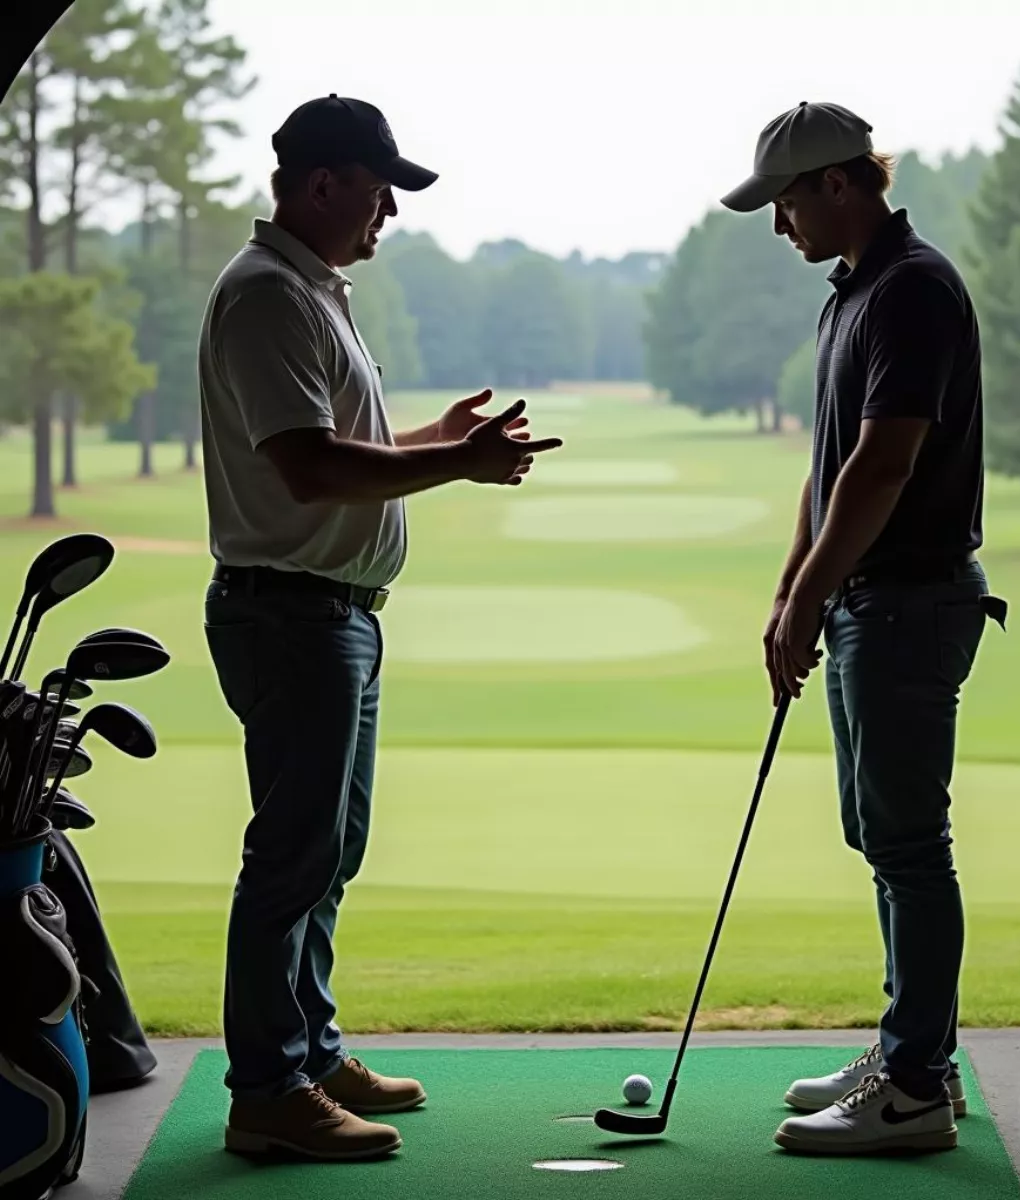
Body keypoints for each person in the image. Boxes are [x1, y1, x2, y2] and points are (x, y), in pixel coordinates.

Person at [197, 94, 563, 1162]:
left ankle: (307, 1052)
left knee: (329, 851)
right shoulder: (267, 296)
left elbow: (333, 439)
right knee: (292, 855)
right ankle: (267, 1090)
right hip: (293, 614)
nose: (390, 213)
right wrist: (459, 462)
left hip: (334, 616)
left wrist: (427, 436)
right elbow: (307, 467)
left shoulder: (310, 290)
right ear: (323, 184)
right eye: (379, 190)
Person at [720, 101, 1006, 1156]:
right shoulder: (855, 294)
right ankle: (906, 1051)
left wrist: (810, 599)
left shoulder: (914, 289)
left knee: (909, 844)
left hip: (911, 600)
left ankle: (918, 1087)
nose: (780, 223)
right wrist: (792, 590)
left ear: (839, 184)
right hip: (863, 604)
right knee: (882, 836)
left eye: (786, 200)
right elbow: (829, 467)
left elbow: (885, 465)